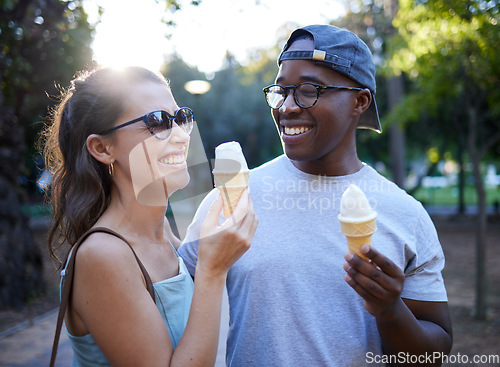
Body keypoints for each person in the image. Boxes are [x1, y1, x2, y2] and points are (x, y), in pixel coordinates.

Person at [179, 25, 452, 366]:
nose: (287, 107)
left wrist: (390, 310)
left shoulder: (406, 214)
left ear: (359, 101)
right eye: (281, 91)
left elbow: (435, 353)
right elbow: (171, 306)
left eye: (309, 90)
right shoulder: (233, 199)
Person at [42, 66, 258, 366]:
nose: (182, 135)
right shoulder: (103, 256)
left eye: (181, 118)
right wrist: (212, 270)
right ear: (102, 148)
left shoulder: (165, 235)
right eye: (157, 122)